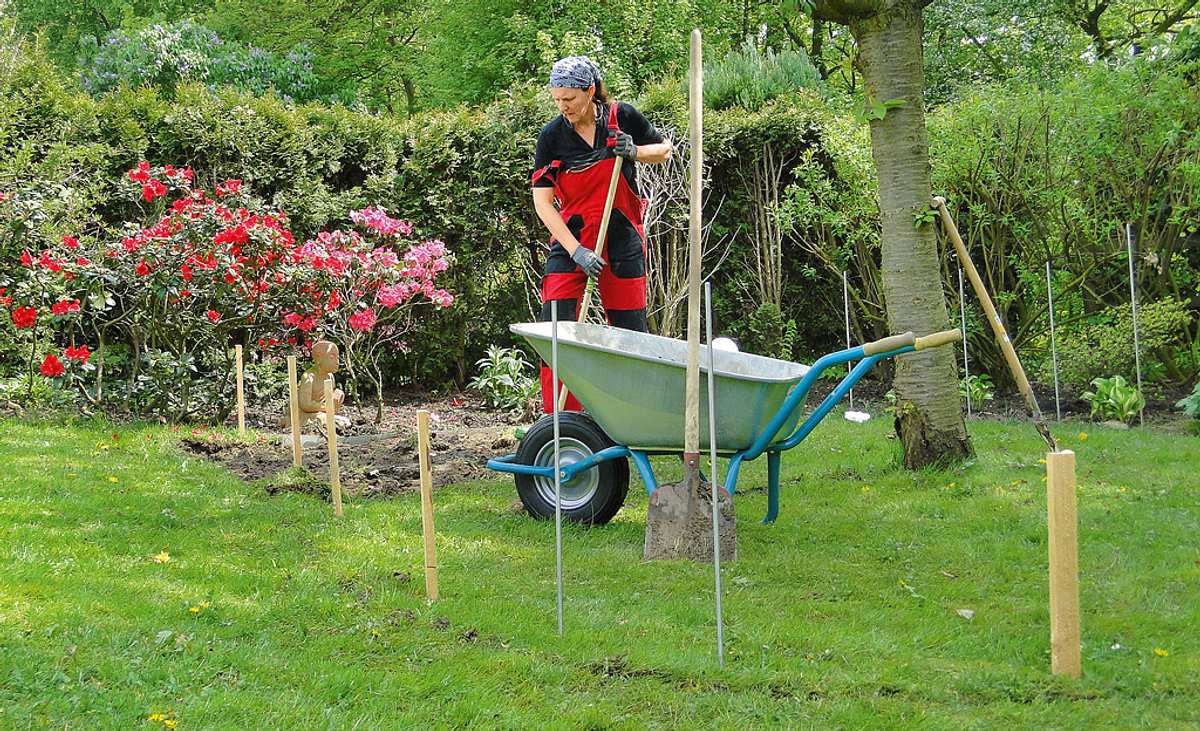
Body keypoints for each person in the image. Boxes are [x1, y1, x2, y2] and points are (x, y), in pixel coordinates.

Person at [531, 55, 673, 412]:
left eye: (570, 99)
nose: (563, 107)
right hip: (572, 237)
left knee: (629, 333)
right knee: (556, 330)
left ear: (590, 91)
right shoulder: (551, 137)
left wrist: (635, 151)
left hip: (621, 236)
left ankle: (631, 415)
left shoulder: (621, 117)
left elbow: (664, 150)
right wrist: (576, 250)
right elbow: (544, 204)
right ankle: (562, 421)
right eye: (557, 99)